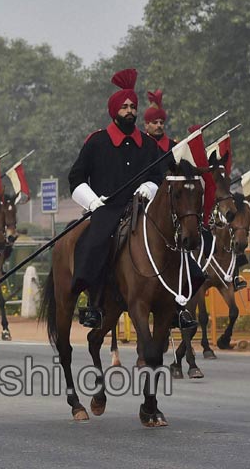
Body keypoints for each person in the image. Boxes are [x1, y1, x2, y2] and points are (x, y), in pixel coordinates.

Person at [67, 68, 186, 329]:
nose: (130, 111)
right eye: (125, 107)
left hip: (143, 207)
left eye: (133, 106)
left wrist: (149, 187)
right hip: (107, 208)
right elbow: (75, 178)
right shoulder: (97, 142)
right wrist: (92, 201)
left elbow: (159, 174)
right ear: (114, 111)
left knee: (178, 240)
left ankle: (179, 303)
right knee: (96, 242)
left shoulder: (148, 143)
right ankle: (94, 303)